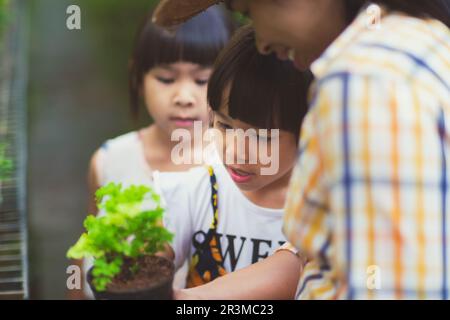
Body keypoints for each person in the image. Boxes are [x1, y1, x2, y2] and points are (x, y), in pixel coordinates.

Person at [153, 0, 450, 299]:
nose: (261, 43)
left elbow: (383, 283)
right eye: (224, 126)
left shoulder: (361, 80)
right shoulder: (423, 43)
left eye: (250, 12)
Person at [67, 6, 235, 299]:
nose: (183, 97)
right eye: (166, 79)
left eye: (202, 80)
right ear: (138, 77)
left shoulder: (242, 167)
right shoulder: (109, 160)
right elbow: (87, 248)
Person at [153, 25, 313, 297]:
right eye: (224, 126)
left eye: (261, 137)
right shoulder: (195, 191)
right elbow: (148, 259)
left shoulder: (322, 209)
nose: (235, 151)